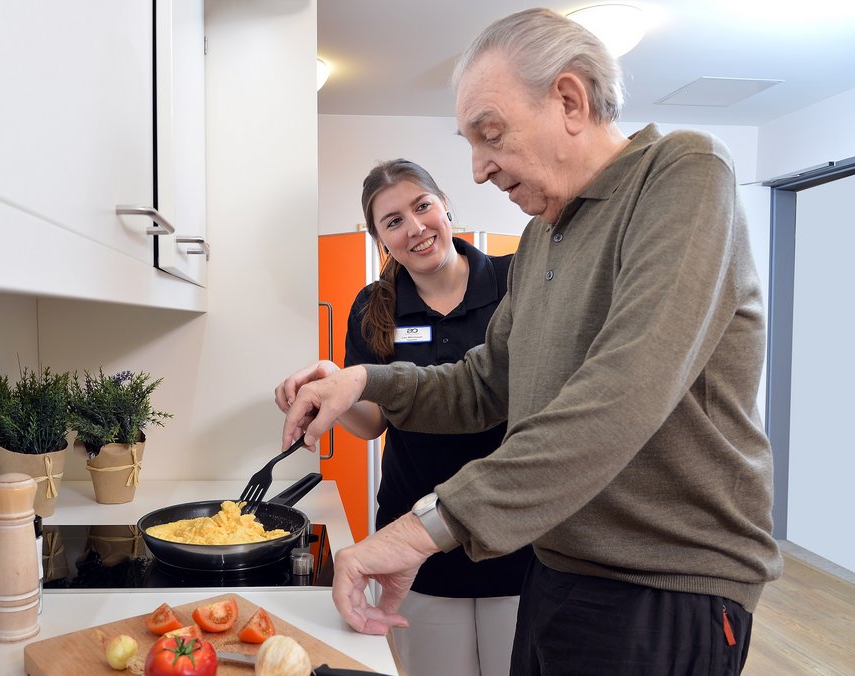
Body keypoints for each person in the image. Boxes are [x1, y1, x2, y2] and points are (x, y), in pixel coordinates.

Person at [279, 8, 783, 675]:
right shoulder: (545, 232)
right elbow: (486, 381)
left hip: (663, 584)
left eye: (490, 135)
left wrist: (416, 532)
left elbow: (619, 398)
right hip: (557, 563)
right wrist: (361, 381)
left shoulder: (684, 175)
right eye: (469, 144)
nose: (480, 170)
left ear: (570, 100)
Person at [277, 159, 532, 676]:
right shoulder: (374, 306)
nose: (415, 228)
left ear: (445, 207)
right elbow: (372, 422)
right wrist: (336, 385)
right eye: (393, 221)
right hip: (414, 537)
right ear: (379, 240)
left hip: (514, 529)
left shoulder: (514, 281)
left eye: (422, 207)